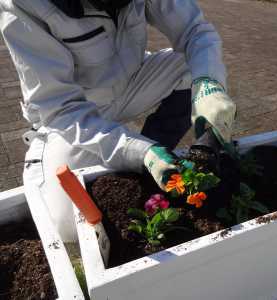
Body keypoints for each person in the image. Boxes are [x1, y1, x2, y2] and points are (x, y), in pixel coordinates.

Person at [0, 0, 236, 241]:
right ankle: (140, 155)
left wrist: (209, 82)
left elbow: (195, 30)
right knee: (64, 222)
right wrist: (137, 151)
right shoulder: (24, 5)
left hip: (129, 83)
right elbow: (59, 108)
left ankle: (157, 164)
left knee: (194, 66)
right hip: (74, 114)